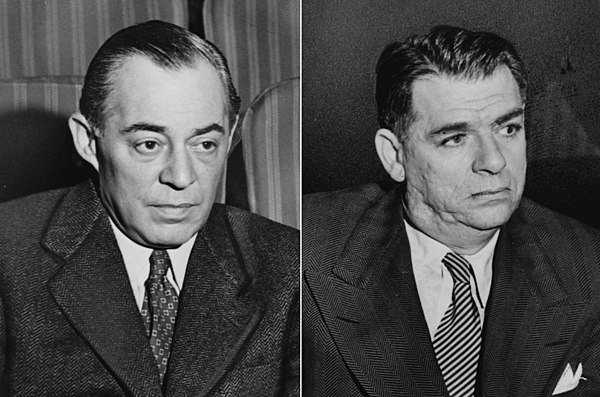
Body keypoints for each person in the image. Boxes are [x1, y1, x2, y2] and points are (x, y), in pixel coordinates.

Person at [0, 20, 299, 396]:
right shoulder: (9, 258)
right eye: (149, 144)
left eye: (204, 144)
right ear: (89, 142)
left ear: (231, 134)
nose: (181, 176)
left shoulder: (290, 266)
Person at [303, 25, 600, 396]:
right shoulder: (305, 251)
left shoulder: (587, 265)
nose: (493, 161)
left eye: (508, 128)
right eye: (456, 138)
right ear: (395, 156)